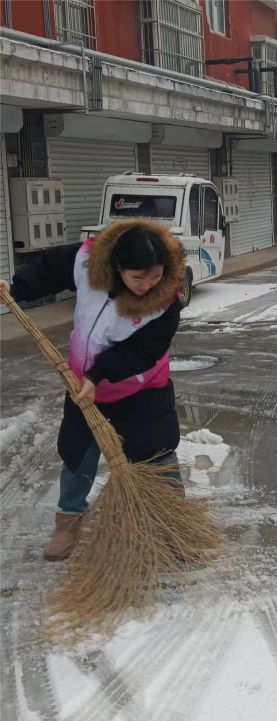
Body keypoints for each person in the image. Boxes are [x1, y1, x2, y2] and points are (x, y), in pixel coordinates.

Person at [0, 219, 185, 560]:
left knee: (157, 450)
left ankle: (176, 522)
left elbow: (145, 351)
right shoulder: (88, 262)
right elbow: (50, 268)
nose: (147, 285)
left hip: (140, 387)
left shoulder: (165, 302)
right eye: (138, 277)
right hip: (82, 386)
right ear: (118, 267)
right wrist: (17, 288)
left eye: (155, 276)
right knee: (77, 454)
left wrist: (99, 374)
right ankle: (68, 522)